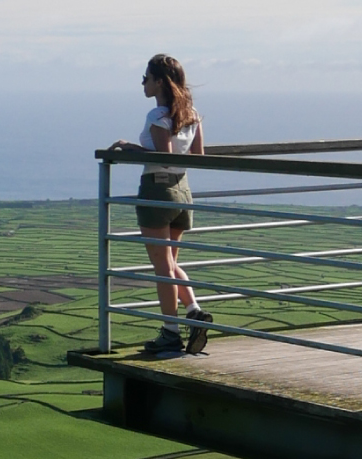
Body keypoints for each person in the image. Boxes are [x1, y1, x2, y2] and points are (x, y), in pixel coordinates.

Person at [108, 54, 205, 356]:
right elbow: (198, 156)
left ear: (159, 82)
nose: (143, 82)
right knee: (171, 263)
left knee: (162, 267)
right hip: (183, 193)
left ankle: (171, 331)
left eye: (146, 77)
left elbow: (163, 157)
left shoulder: (157, 117)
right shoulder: (192, 115)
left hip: (157, 191)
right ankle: (194, 311)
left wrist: (130, 148)